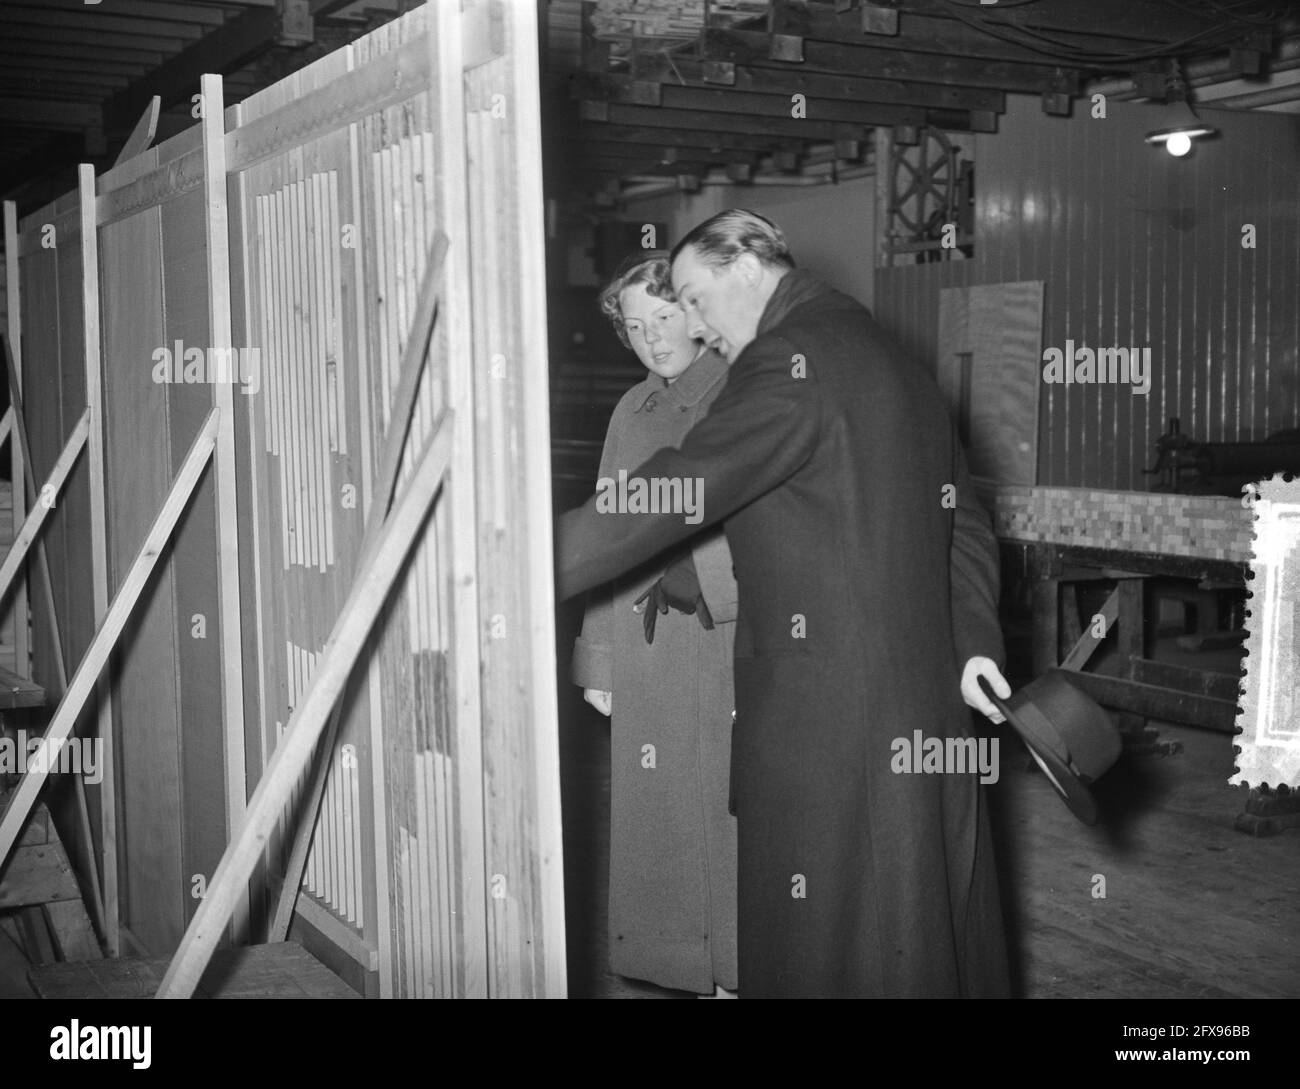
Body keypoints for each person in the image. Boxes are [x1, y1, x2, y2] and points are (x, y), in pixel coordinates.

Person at [556, 210, 1013, 998]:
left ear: (744, 269)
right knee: (911, 935)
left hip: (827, 725)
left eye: (694, 298)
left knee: (823, 950)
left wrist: (508, 561)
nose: (692, 322)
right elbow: (962, 519)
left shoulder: (790, 359)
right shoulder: (891, 358)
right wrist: (973, 640)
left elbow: (679, 489)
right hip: (919, 709)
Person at [572, 251, 739, 996]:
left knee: (732, 820)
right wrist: (600, 659)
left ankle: (740, 972)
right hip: (649, 655)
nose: (652, 338)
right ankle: (685, 970)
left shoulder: (742, 394)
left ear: (697, 313)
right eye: (635, 326)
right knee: (662, 823)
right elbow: (606, 535)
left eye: (665, 317)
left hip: (725, 640)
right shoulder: (629, 412)